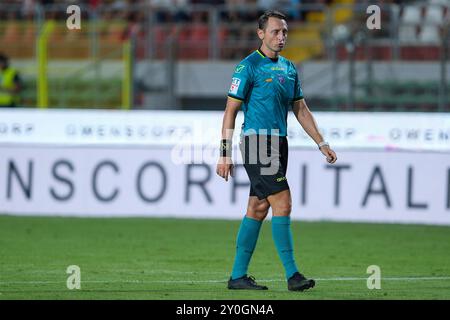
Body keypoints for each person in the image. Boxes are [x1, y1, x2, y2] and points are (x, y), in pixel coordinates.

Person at [216, 10, 337, 291]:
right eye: (275, 32)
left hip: (279, 143)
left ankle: (237, 276)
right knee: (283, 202)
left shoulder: (289, 68)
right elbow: (230, 112)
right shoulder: (247, 67)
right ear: (261, 34)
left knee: (258, 207)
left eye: (284, 32)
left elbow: (301, 109)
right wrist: (225, 153)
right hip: (258, 142)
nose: (281, 37)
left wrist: (322, 142)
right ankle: (293, 275)